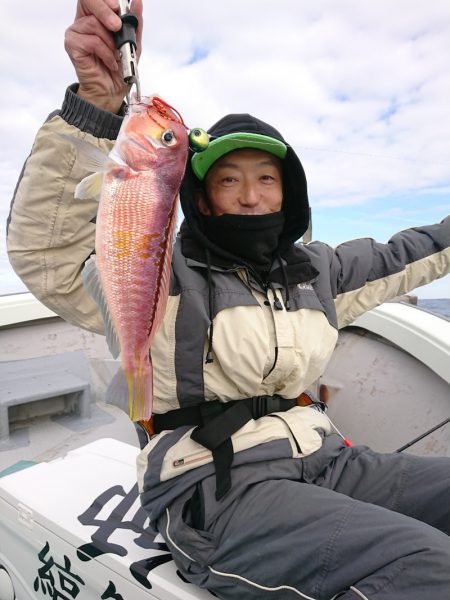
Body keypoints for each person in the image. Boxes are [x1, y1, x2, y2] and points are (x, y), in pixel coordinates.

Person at [6, 1, 450, 598]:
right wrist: (95, 105)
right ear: (204, 196)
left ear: (287, 193)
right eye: (228, 178)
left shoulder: (316, 271)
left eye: (265, 178)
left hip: (326, 459)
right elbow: (51, 255)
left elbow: (407, 252)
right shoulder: (163, 269)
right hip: (211, 487)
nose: (249, 194)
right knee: (426, 563)